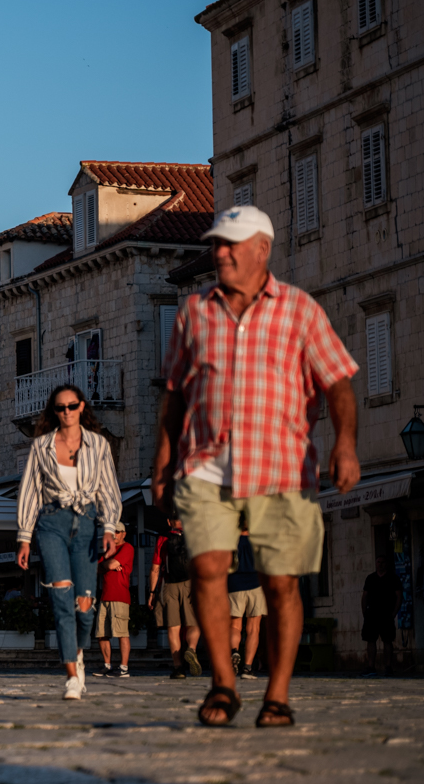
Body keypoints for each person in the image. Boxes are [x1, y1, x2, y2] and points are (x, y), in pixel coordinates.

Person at [152, 205, 359, 728]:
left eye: (232, 245)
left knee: (281, 582)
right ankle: (223, 685)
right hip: (207, 463)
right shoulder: (193, 313)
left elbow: (337, 382)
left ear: (262, 249)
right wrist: (162, 461)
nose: (220, 253)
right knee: (206, 571)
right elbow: (174, 396)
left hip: (281, 465)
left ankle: (278, 694)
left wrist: (346, 445)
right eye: (218, 244)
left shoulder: (300, 310)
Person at [16, 383, 121, 701]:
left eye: (71, 406)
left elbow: (108, 489)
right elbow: (30, 491)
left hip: (87, 524)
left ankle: (78, 653)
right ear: (54, 412)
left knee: (85, 607)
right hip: (51, 524)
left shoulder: (98, 445)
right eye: (60, 408)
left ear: (81, 407)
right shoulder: (41, 446)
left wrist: (109, 528)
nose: (66, 412)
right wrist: (24, 537)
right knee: (62, 599)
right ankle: (72, 675)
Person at [148, 519, 198, 678]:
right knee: (194, 623)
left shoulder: (163, 538)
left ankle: (178, 668)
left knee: (173, 628)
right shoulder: (194, 535)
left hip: (169, 584)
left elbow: (155, 569)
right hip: (190, 584)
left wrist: (152, 592)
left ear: (169, 521)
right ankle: (192, 648)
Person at [94, 523, 133, 678]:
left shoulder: (127, 548)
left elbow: (110, 564)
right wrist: (107, 565)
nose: (114, 535)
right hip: (105, 596)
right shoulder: (109, 550)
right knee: (101, 633)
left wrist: (108, 564)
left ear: (124, 533)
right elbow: (97, 568)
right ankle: (107, 665)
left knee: (122, 632)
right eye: (112, 532)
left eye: (117, 532)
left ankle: (123, 668)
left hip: (120, 596)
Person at [228, 529, 264, 680]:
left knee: (235, 626)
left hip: (234, 585)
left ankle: (234, 650)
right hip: (257, 584)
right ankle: (247, 668)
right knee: (253, 628)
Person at [362, 555, 403, 676]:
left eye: (382, 562)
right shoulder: (370, 578)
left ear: (387, 564)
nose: (380, 564)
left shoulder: (393, 578)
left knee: (388, 640)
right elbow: (364, 596)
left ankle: (388, 666)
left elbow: (399, 597)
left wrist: (394, 613)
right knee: (370, 640)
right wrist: (365, 612)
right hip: (372, 614)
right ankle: (371, 666)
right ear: (375, 563)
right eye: (378, 562)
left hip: (386, 614)